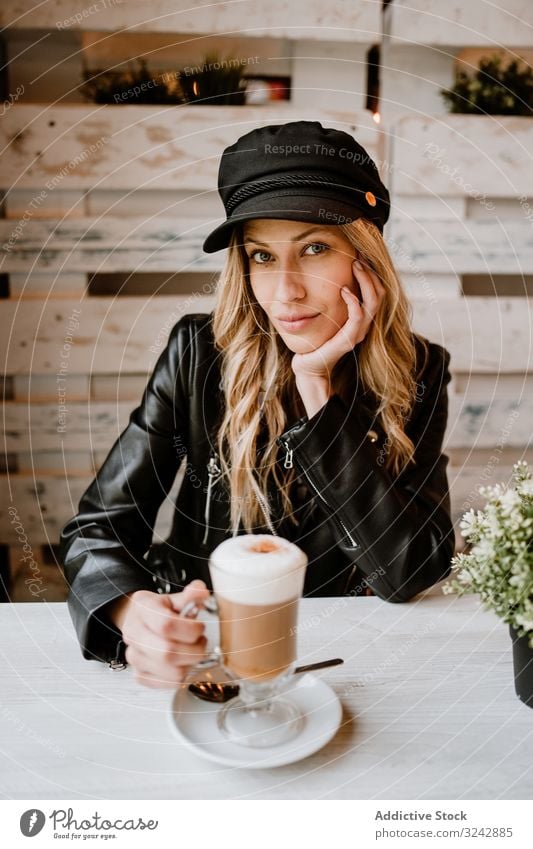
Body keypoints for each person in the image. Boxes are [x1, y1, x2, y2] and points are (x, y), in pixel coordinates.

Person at [59, 120, 454, 688]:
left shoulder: (419, 371)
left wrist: (317, 387)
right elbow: (100, 529)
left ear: (365, 258)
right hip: (203, 646)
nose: (285, 291)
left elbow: (407, 569)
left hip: (348, 658)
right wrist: (130, 614)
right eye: (262, 256)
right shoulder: (198, 353)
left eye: (315, 248)